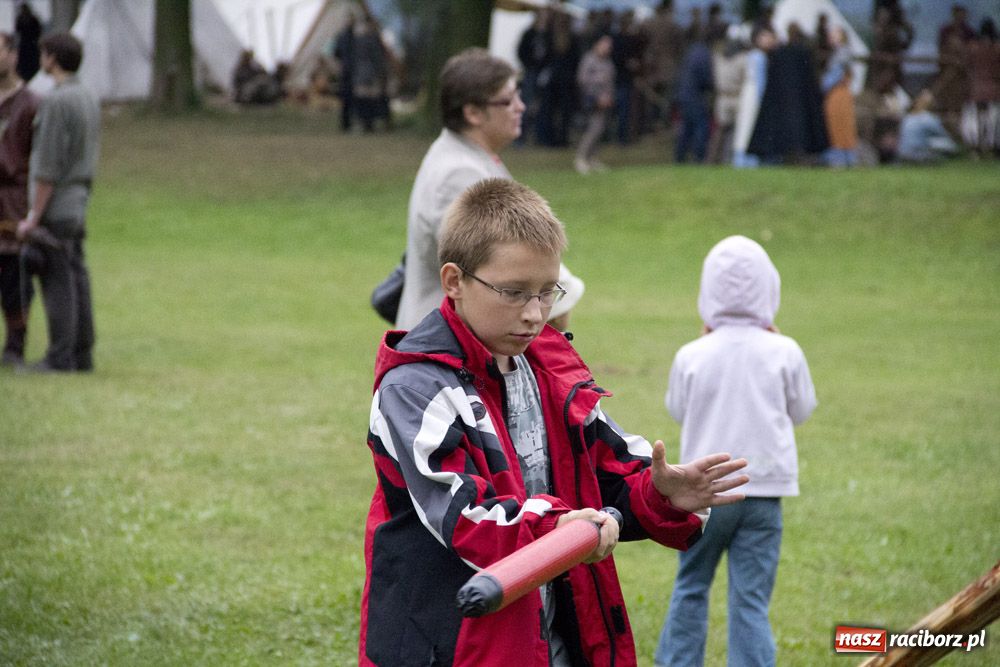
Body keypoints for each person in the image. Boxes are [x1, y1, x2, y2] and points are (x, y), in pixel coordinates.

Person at [360, 177, 750, 667]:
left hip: (552, 637)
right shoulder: (413, 389)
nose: (534, 314)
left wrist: (659, 492)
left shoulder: (548, 364)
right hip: (454, 645)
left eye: (547, 293)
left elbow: (602, 468)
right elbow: (468, 517)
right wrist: (562, 529)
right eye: (514, 292)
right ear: (454, 281)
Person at [655, 235, 817, 667]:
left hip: (705, 495)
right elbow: (802, 410)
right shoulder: (786, 351)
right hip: (765, 494)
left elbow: (676, 408)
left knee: (692, 584)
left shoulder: (692, 355)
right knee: (751, 598)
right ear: (770, 289)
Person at [394, 48, 583, 332]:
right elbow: (499, 262)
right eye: (507, 101)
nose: (521, 107)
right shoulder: (458, 173)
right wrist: (553, 300)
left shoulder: (466, 157)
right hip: (448, 347)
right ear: (472, 112)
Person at [15, 32, 100, 373]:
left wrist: (34, 215)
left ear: (52, 58)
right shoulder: (88, 96)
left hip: (58, 203)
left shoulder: (56, 102)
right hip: (78, 199)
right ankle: (82, 353)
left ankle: (59, 356)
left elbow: (48, 165)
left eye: (43, 53)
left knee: (56, 279)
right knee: (77, 275)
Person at [0, 31, 38, 366]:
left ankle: (15, 345)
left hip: (12, 200)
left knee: (13, 274)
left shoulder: (30, 104)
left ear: (12, 55)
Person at [574, 34, 615, 174]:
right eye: (604, 45)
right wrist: (597, 95)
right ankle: (581, 158)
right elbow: (582, 80)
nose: (607, 49)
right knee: (593, 129)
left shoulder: (608, 62)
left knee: (600, 130)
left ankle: (592, 158)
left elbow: (610, 82)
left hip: (605, 101)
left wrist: (608, 96)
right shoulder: (589, 60)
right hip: (591, 100)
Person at [821, 26, 858, 167]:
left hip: (838, 93)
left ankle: (841, 159)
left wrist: (823, 88)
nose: (831, 37)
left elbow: (836, 75)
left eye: (835, 35)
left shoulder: (842, 53)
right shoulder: (839, 53)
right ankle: (844, 158)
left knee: (839, 125)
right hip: (838, 93)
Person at [895, 90, 960, 163]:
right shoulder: (928, 117)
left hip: (902, 153)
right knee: (948, 144)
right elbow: (942, 134)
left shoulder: (907, 117)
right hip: (917, 153)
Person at [14, 2, 41, 83]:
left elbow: (17, 30)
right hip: (31, 45)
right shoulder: (33, 19)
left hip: (25, 45)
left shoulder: (21, 19)